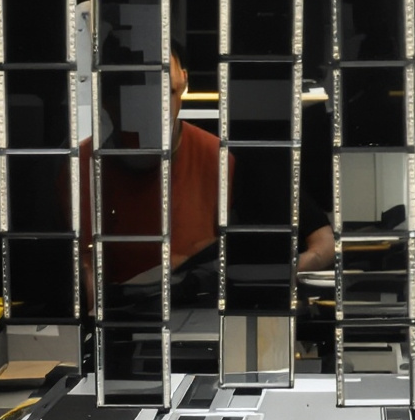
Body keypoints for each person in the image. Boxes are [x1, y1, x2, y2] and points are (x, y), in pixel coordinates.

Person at [78, 44, 332, 313]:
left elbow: (322, 242)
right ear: (107, 99)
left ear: (183, 81)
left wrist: (268, 279)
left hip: (203, 318)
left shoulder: (223, 159)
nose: (155, 108)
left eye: (168, 91)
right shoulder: (83, 166)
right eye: (133, 95)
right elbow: (83, 275)